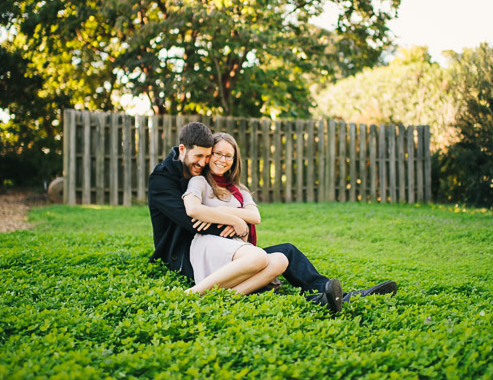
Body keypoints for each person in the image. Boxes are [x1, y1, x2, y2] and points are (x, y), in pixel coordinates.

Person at [148, 122, 397, 313]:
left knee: (284, 253)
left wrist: (236, 223)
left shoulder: (224, 184)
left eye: (209, 156)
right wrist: (236, 224)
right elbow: (191, 219)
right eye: (203, 157)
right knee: (259, 263)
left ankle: (327, 293)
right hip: (185, 254)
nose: (204, 162)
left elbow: (251, 215)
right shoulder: (167, 179)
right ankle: (312, 298)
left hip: (226, 245)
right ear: (183, 150)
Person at [182, 132, 288, 295]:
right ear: (210, 156)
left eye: (228, 156)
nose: (223, 160)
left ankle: (230, 296)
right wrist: (237, 220)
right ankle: (192, 293)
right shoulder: (200, 182)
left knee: (280, 260)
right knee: (259, 257)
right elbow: (192, 209)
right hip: (210, 242)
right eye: (218, 154)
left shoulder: (238, 189)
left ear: (234, 161)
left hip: (235, 244)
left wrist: (221, 211)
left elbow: (255, 217)